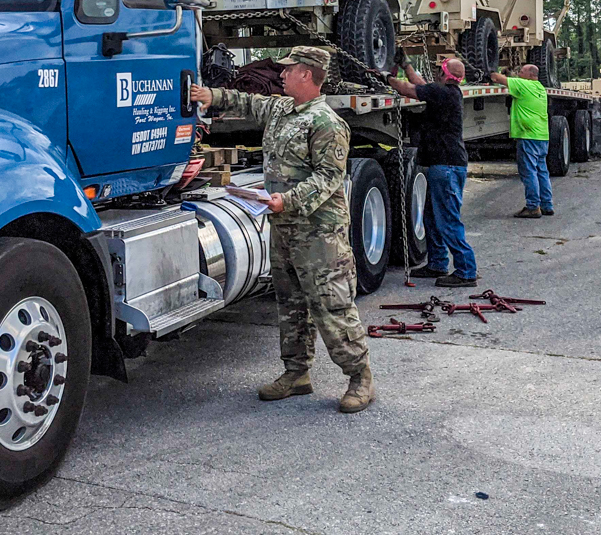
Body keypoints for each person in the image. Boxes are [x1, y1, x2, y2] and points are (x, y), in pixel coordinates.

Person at [190, 46, 373, 414]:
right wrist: (213, 96)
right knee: (290, 304)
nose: (282, 75)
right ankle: (296, 373)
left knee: (330, 304)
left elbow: (328, 178)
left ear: (306, 74)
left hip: (318, 232)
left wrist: (286, 200)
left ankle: (360, 377)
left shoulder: (326, 123)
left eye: (288, 70)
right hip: (285, 227)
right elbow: (248, 102)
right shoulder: (282, 108)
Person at [383, 52, 478, 287]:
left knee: (447, 219)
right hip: (445, 165)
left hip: (446, 166)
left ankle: (466, 271)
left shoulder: (442, 93)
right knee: (432, 217)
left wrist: (386, 77)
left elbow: (407, 89)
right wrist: (406, 65)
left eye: (439, 70)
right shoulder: (447, 93)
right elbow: (420, 84)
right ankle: (437, 263)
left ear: (444, 74)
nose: (435, 73)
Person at [489, 64, 553, 218]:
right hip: (542, 136)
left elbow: (496, 78)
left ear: (530, 74)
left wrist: (489, 70)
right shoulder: (539, 88)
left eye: (521, 72)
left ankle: (532, 206)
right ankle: (546, 204)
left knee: (529, 171)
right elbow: (512, 80)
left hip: (527, 136)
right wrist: (510, 75)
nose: (518, 73)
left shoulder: (523, 85)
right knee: (541, 171)